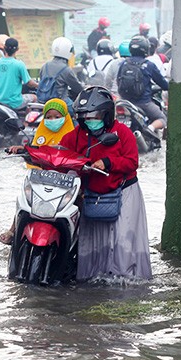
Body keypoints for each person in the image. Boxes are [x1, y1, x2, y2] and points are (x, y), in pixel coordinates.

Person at [58, 86, 151, 280]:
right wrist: (27, 151)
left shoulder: (122, 132)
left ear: (107, 114)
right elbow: (58, 156)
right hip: (91, 194)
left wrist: (108, 163)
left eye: (95, 116)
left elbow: (132, 162)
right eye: (86, 117)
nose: (90, 121)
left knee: (123, 239)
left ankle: (126, 279)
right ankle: (93, 278)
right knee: (92, 240)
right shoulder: (74, 136)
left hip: (124, 191)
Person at [0, 98, 75, 245]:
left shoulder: (73, 136)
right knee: (24, 200)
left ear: (65, 117)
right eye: (48, 117)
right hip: (42, 178)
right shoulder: (40, 135)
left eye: (57, 117)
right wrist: (22, 150)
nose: (52, 120)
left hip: (66, 181)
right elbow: (34, 152)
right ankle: (13, 230)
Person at [116, 36, 168, 137]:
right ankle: (149, 129)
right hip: (144, 103)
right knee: (162, 118)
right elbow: (163, 83)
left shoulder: (123, 63)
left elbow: (119, 81)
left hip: (125, 102)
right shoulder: (149, 65)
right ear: (146, 49)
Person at [0, 37, 37, 110]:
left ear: (4, 48)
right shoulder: (19, 64)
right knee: (34, 98)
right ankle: (27, 121)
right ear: (17, 49)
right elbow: (29, 83)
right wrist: (38, 85)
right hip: (14, 103)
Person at [37, 37, 83, 111]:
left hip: (42, 101)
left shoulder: (45, 66)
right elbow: (77, 88)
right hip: (60, 102)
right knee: (77, 112)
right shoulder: (66, 70)